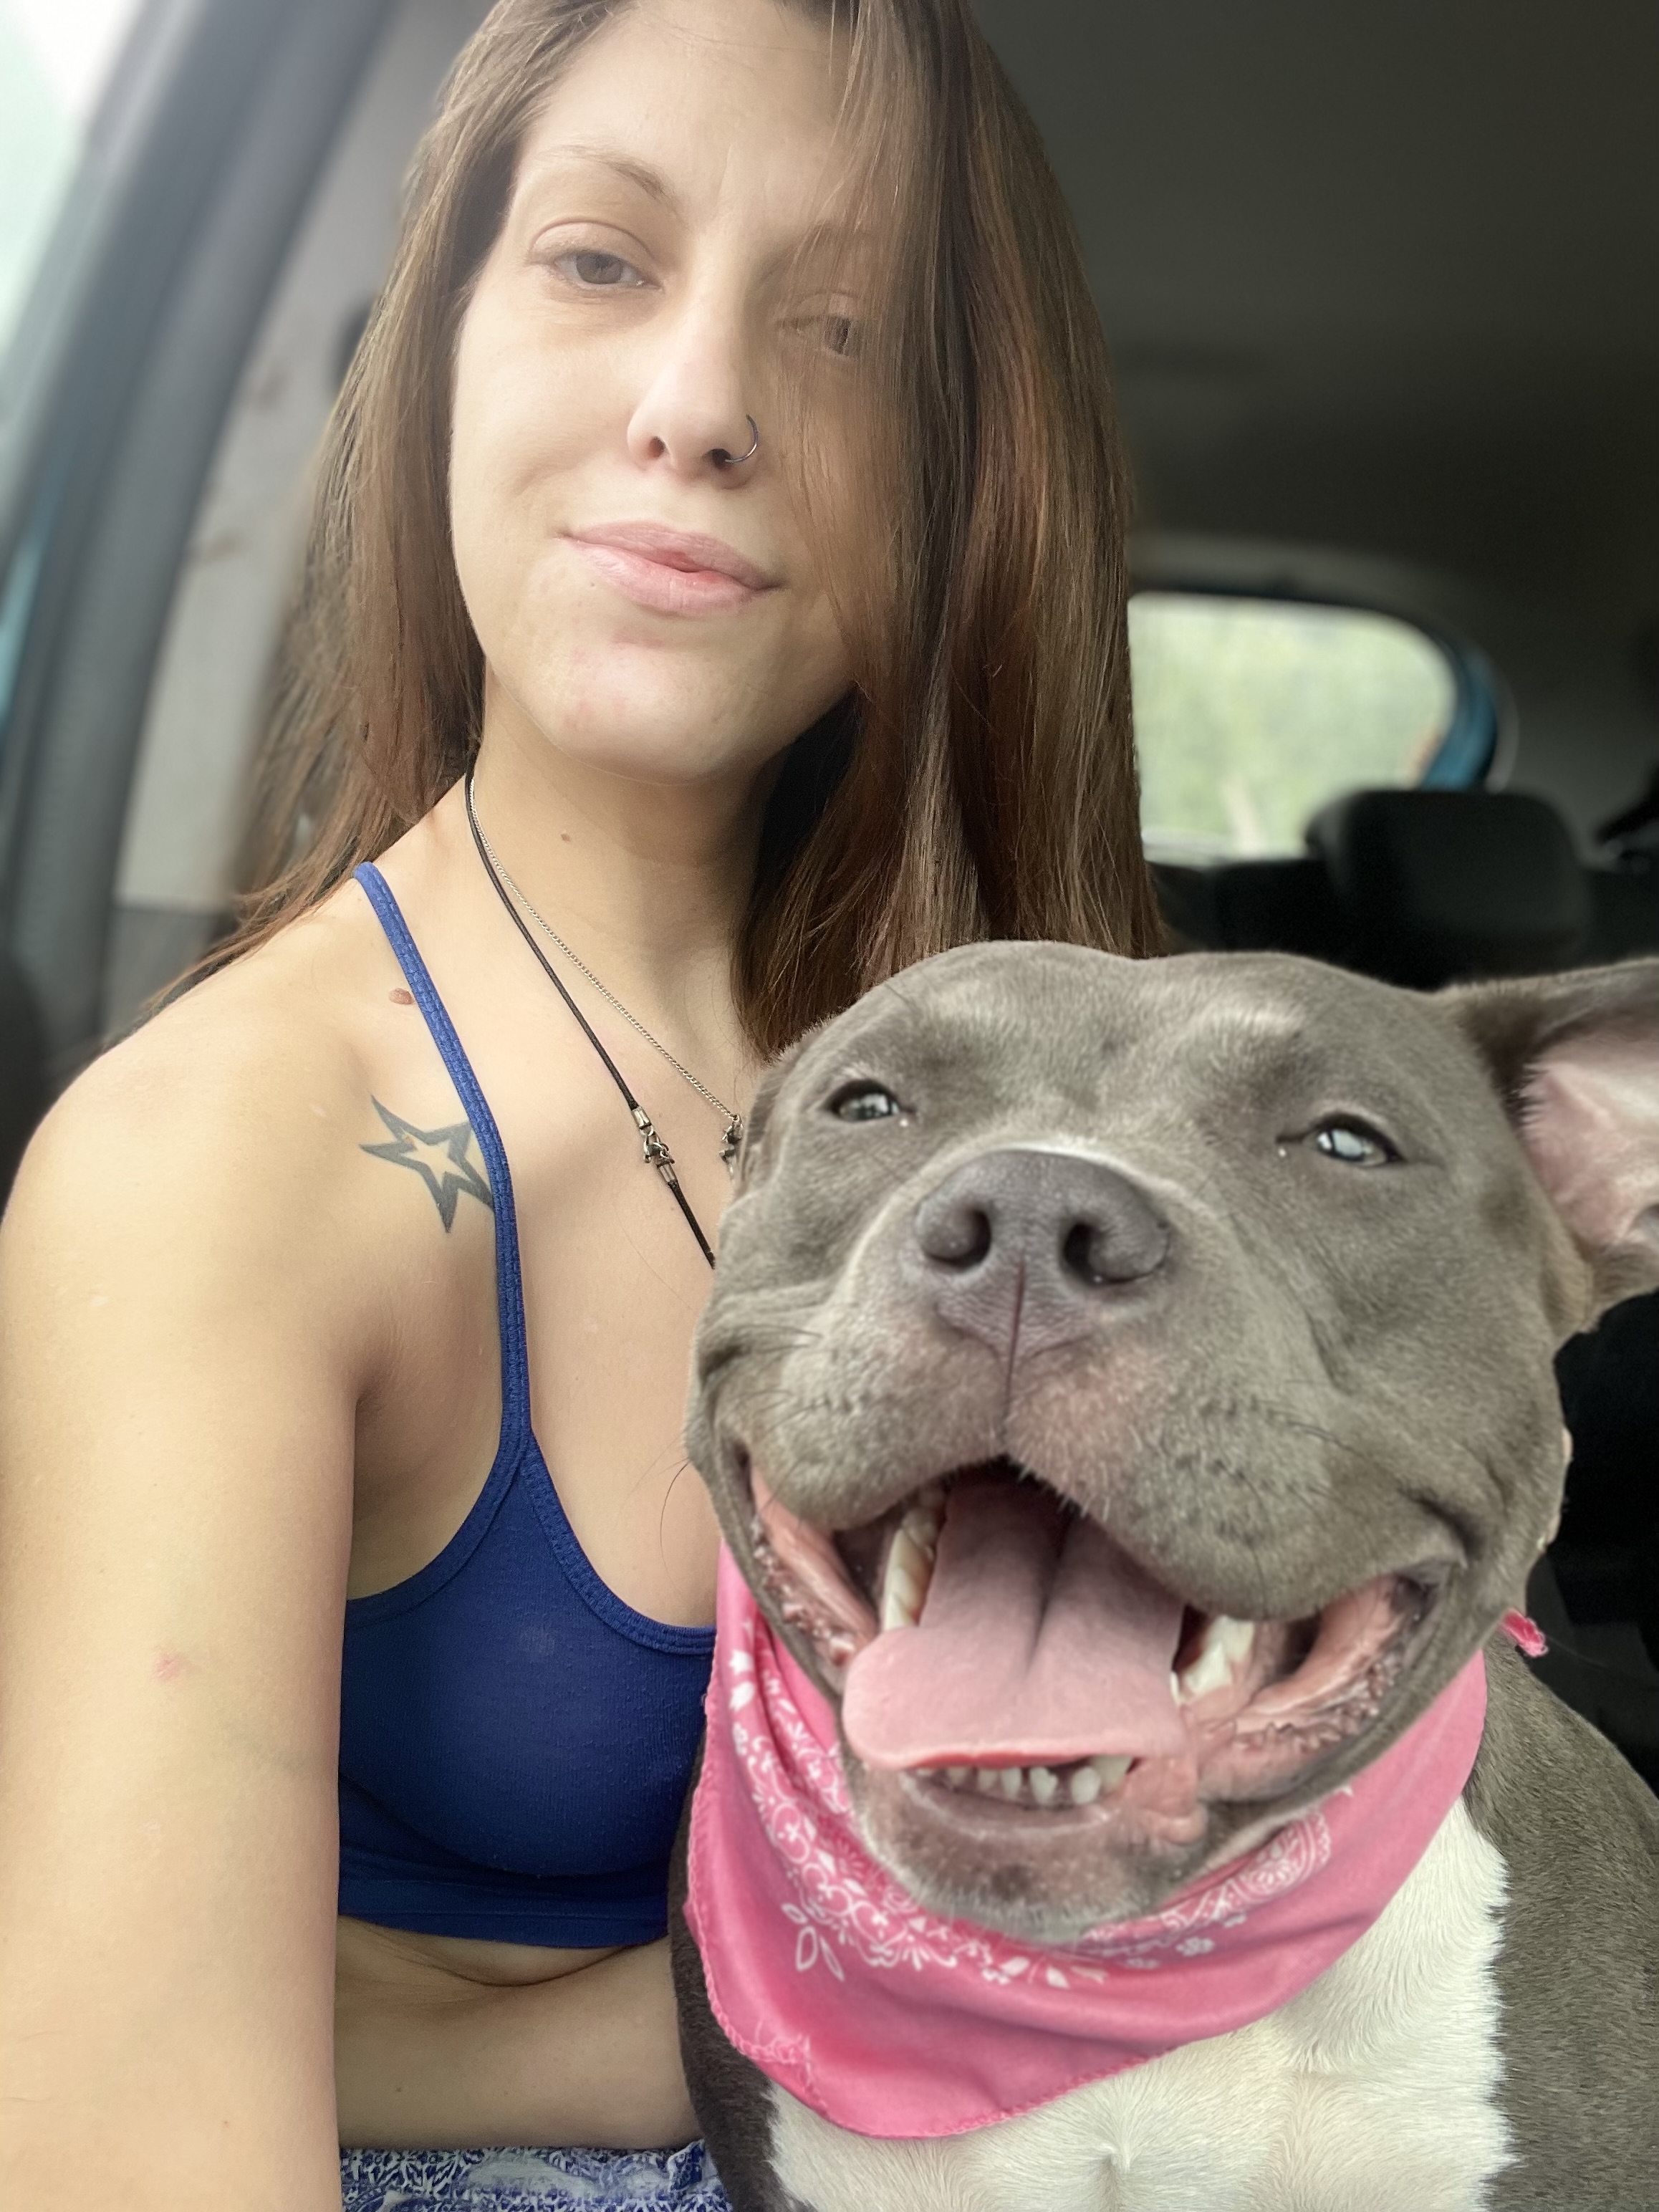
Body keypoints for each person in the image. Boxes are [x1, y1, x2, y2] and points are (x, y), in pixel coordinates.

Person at [0, 0, 1157, 2205]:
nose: (698, 401)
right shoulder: (224, 1163)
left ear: (961, 472)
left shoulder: (1062, 1109)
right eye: (598, 260)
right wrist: (748, 2042)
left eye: (840, 328)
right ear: (443, 339)